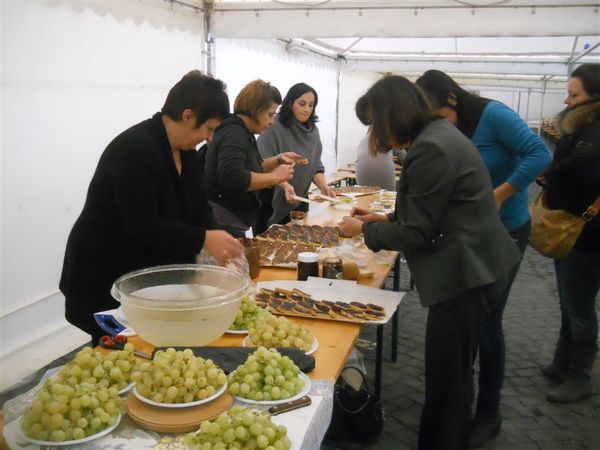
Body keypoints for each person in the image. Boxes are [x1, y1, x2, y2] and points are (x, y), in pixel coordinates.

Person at [338, 76, 521, 450]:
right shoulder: (437, 135)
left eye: (376, 123)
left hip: (467, 273)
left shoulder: (430, 148)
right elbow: (434, 208)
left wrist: (363, 231)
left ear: (392, 115)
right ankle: (452, 433)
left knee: (446, 377)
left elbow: (418, 234)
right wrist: (383, 220)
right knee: (454, 371)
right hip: (476, 266)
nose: (377, 133)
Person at [416, 69, 552, 447]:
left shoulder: (494, 115)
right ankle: (462, 400)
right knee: (466, 322)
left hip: (506, 230)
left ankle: (488, 412)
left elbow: (539, 153)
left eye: (437, 113)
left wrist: (501, 194)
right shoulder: (451, 127)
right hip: (468, 236)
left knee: (489, 322)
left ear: (453, 99)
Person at [60, 71, 243, 345]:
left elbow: (199, 206)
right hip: (103, 273)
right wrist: (204, 239)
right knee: (121, 350)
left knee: (152, 344)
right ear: (188, 115)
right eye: (210, 129)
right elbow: (142, 223)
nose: (210, 139)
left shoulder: (186, 153)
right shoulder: (135, 149)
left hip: (141, 274)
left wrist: (218, 239)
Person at [538, 63, 600, 403]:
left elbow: (584, 169)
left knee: (579, 305)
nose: (567, 99)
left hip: (587, 233)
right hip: (575, 227)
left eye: (574, 94)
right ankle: (563, 363)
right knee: (569, 300)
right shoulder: (584, 127)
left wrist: (550, 172)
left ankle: (580, 376)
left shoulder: (594, 132)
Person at [204, 80, 307, 236]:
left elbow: (250, 169)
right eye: (270, 115)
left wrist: (278, 159)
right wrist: (275, 177)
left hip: (232, 221)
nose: (272, 122)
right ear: (256, 110)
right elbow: (233, 177)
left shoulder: (243, 132)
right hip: (223, 223)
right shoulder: (234, 133)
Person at [257, 82, 336, 225]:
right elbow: (262, 163)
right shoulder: (273, 125)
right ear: (290, 103)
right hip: (270, 198)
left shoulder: (313, 131)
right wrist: (285, 185)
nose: (307, 109)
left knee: (299, 244)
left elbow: (315, 165)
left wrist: (323, 186)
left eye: (311, 105)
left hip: (299, 198)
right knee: (268, 244)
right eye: (302, 104)